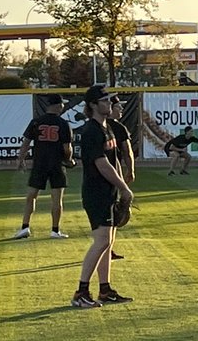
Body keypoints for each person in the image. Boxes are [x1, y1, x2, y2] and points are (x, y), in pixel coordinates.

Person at [71, 85, 134, 309]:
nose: (109, 103)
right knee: (102, 241)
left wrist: (119, 187)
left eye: (109, 100)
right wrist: (124, 187)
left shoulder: (107, 128)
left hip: (107, 191)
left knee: (108, 243)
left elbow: (114, 159)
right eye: (105, 101)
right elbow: (102, 164)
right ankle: (81, 292)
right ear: (92, 105)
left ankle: (105, 290)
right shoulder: (91, 132)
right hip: (96, 192)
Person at [13, 93, 74, 239]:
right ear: (59, 106)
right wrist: (69, 160)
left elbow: (26, 143)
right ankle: (55, 230)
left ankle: (25, 227)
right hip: (56, 164)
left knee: (31, 196)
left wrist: (20, 159)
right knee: (56, 199)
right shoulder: (63, 123)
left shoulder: (36, 121)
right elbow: (67, 148)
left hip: (40, 163)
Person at [108, 95, 134, 260]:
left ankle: (108, 248)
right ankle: (107, 248)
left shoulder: (96, 126)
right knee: (113, 214)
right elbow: (127, 150)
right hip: (113, 173)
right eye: (118, 107)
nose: (122, 110)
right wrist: (131, 170)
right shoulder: (118, 128)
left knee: (110, 214)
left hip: (101, 175)